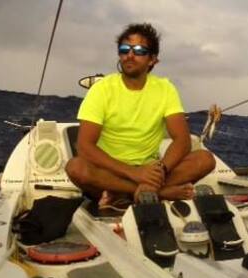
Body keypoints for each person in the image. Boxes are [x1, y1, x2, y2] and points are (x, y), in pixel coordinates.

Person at [66, 23, 216, 207]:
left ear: (152, 60)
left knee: (205, 159)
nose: (130, 55)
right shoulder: (101, 89)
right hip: (111, 171)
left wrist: (160, 170)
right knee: (76, 167)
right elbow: (85, 147)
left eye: (138, 50)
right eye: (124, 49)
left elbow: (182, 141)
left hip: (150, 170)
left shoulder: (165, 89)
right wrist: (134, 173)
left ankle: (126, 193)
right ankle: (158, 193)